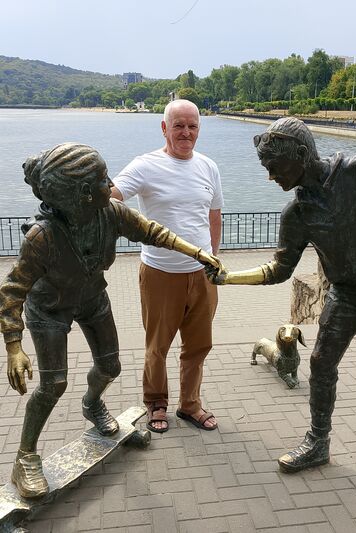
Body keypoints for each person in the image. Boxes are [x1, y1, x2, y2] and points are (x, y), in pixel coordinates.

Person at [0, 142, 220, 498]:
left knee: (110, 367)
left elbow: (153, 231)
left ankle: (92, 404)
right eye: (104, 179)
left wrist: (197, 252)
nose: (112, 184)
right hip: (50, 309)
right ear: (84, 194)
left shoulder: (111, 213)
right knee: (53, 384)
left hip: (92, 298)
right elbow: (11, 291)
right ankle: (25, 456)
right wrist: (14, 346)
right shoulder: (42, 237)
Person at [206, 116, 356, 473]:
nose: (270, 176)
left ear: (300, 154)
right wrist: (228, 277)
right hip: (348, 294)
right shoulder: (296, 214)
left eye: (274, 166)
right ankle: (317, 443)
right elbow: (279, 270)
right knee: (321, 362)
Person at [111, 99, 224, 433]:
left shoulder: (208, 167)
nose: (186, 132)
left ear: (199, 129)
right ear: (164, 128)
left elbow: (214, 215)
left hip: (202, 274)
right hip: (160, 273)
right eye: (178, 126)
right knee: (158, 346)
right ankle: (156, 402)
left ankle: (190, 405)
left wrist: (214, 258)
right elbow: (112, 197)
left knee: (199, 345)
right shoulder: (145, 166)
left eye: (192, 126)